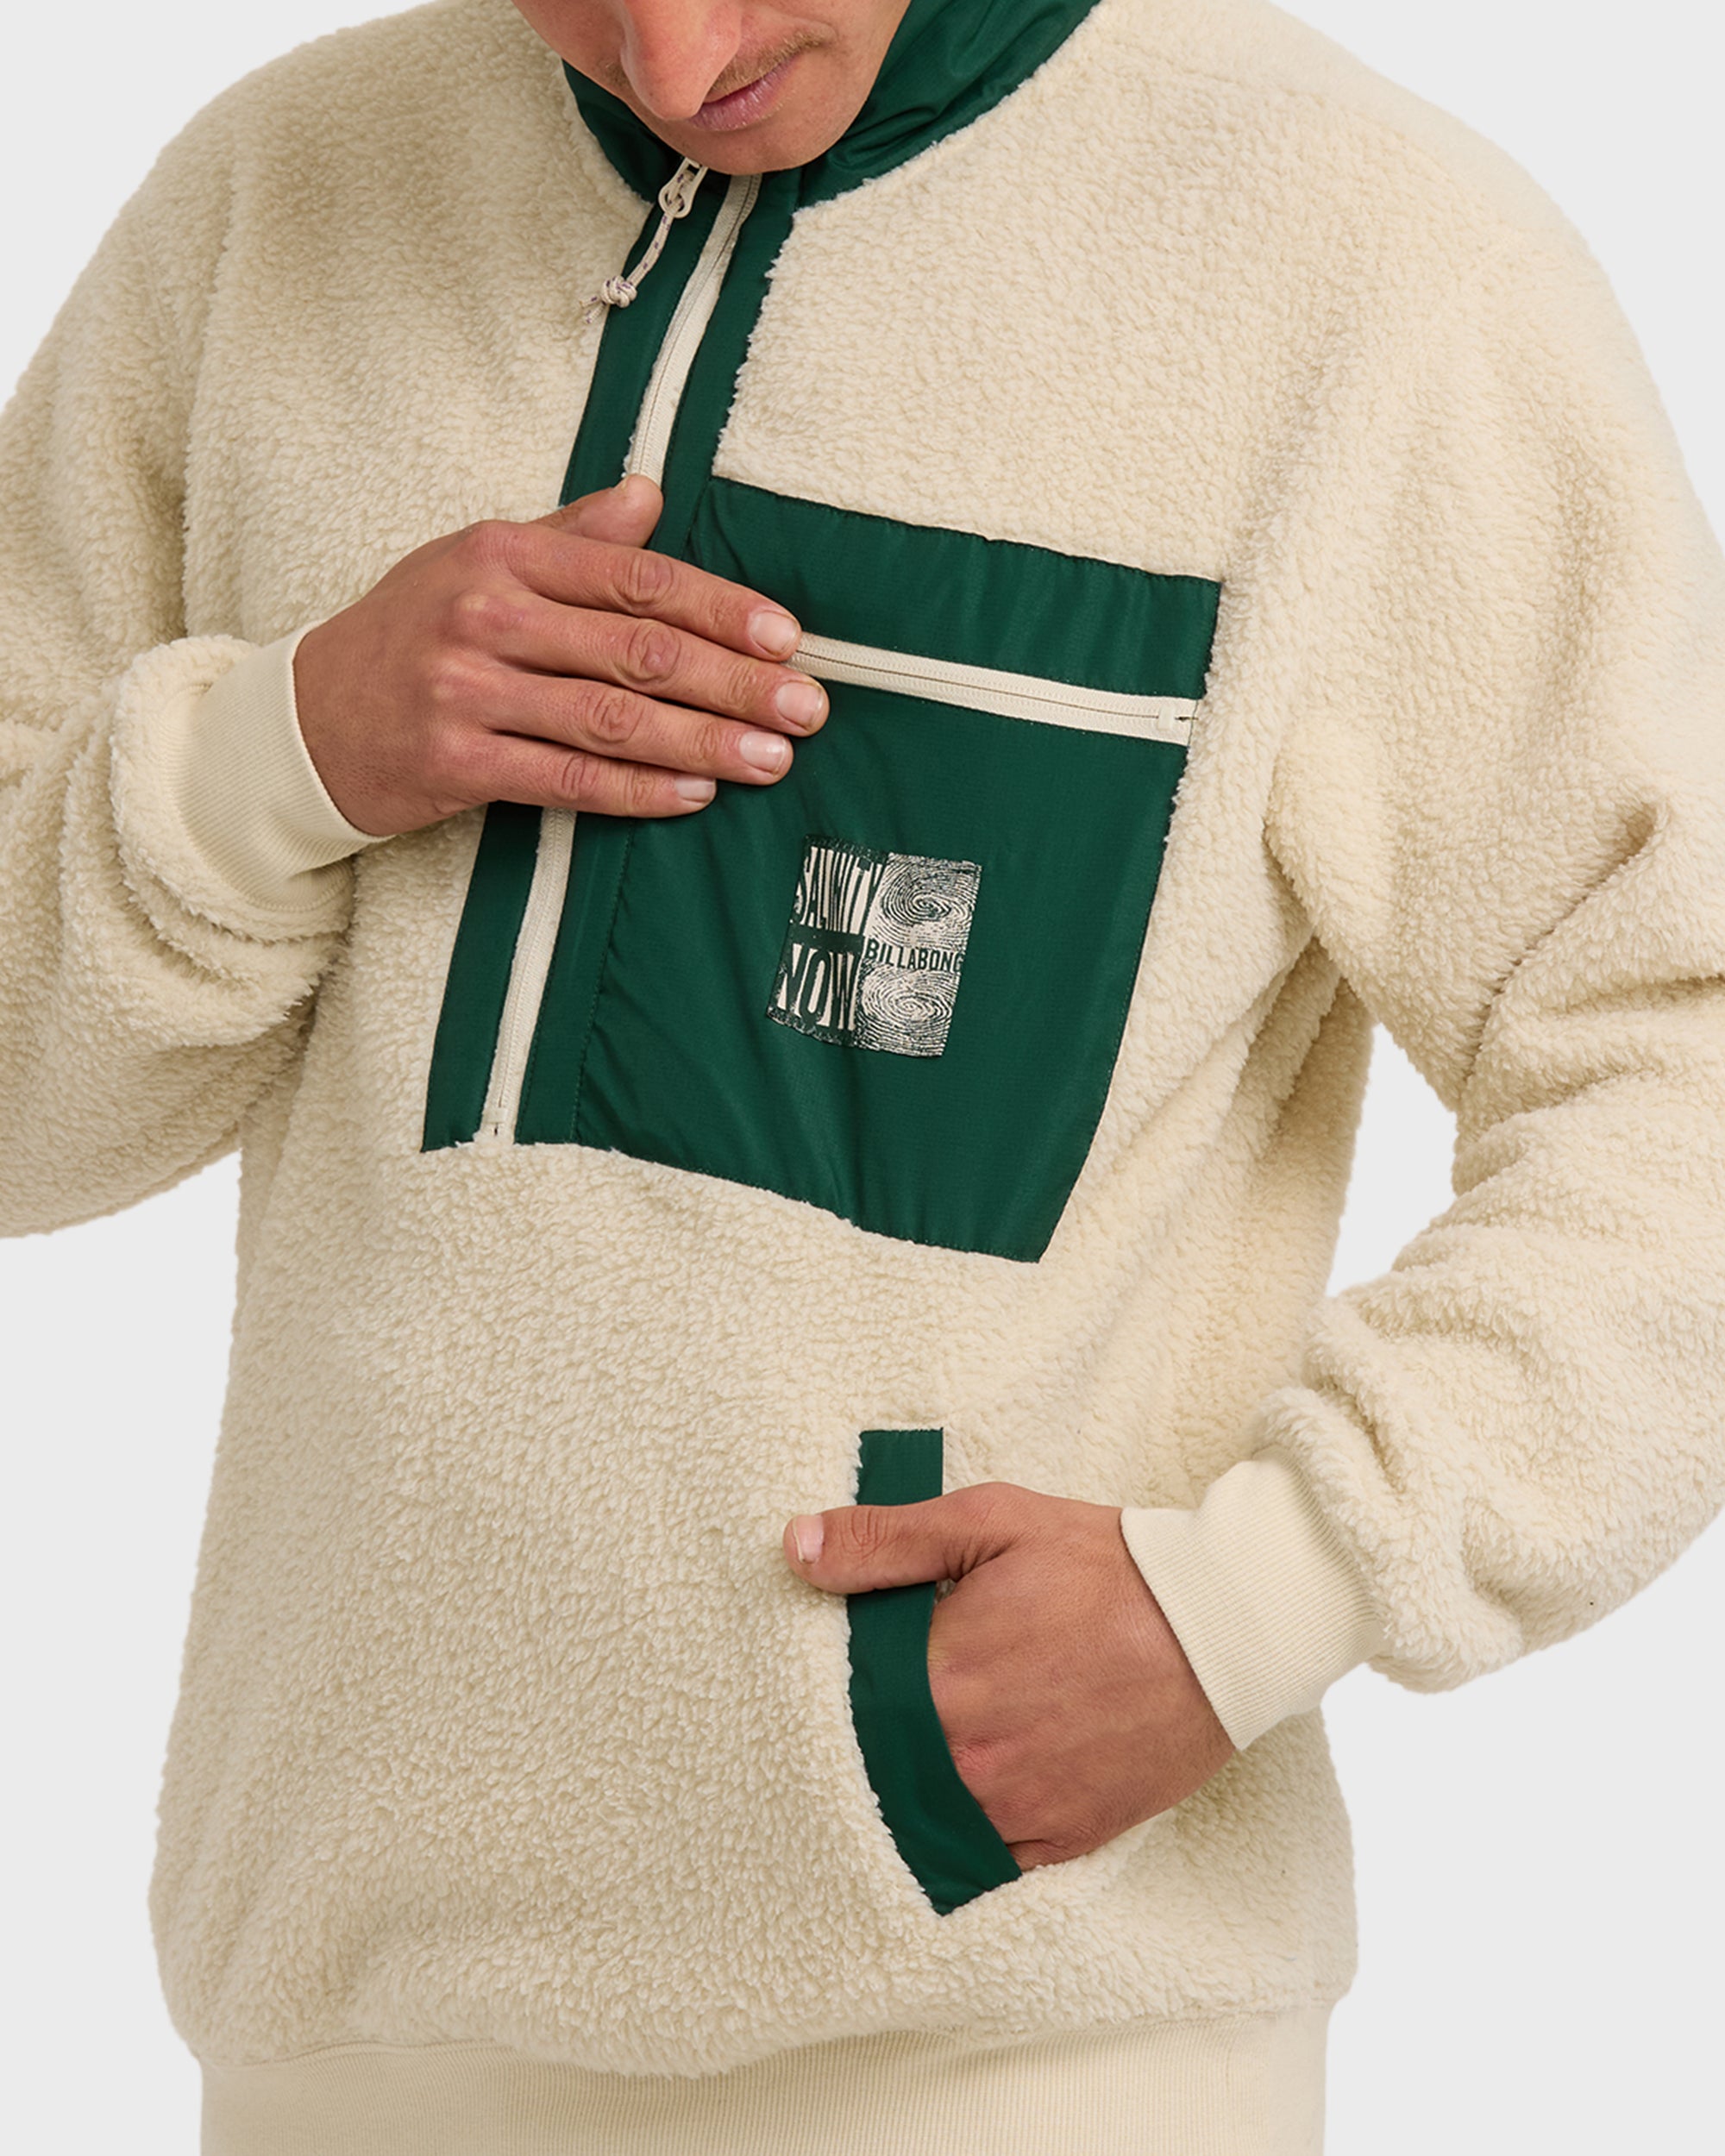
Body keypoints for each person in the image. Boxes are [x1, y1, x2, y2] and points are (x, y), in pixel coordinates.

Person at [2, 0, 1721, 2148]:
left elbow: (1676, 1047)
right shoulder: (278, 203)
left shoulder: (1369, 268)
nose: (670, 54)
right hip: (341, 2043)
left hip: (1024, 2050)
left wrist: (1262, 1587)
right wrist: (277, 755)